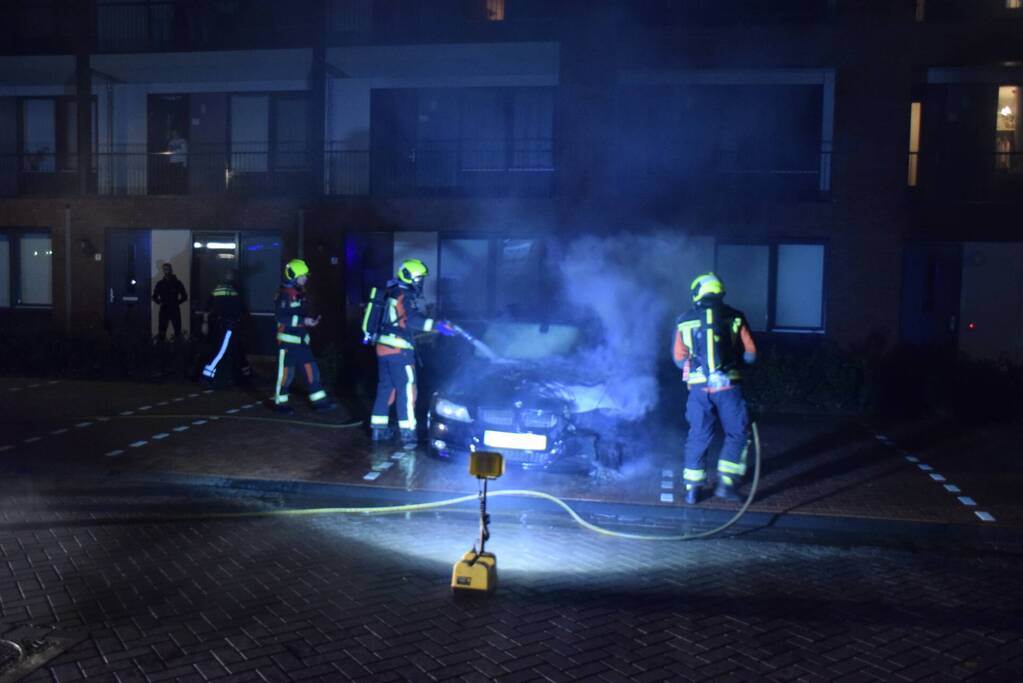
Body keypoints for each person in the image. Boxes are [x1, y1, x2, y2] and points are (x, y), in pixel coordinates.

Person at [671, 272, 758, 505]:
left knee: (698, 435)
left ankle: (692, 489)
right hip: (729, 387)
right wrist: (733, 364)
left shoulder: (684, 320)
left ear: (697, 292)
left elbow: (679, 359)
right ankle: (726, 484)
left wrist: (696, 367)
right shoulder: (736, 317)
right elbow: (751, 353)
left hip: (699, 390)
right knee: (738, 433)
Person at [369, 258, 454, 449]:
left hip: (383, 349)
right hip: (399, 351)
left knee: (385, 388)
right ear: (409, 278)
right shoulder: (404, 295)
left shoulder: (392, 292)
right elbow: (411, 321)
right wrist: (437, 326)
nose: (420, 282)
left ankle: (378, 429)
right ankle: (408, 433)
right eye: (418, 278)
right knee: (407, 390)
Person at [273, 258, 334, 413]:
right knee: (286, 375)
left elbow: (299, 315)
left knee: (312, 371)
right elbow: (281, 317)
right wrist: (304, 320)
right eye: (302, 276)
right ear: (293, 277)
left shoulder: (299, 293)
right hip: (287, 344)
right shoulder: (284, 295)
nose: (305, 278)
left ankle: (320, 402)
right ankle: (281, 404)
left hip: (301, 342)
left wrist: (309, 322)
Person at [201, 269, 251, 386]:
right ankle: (206, 376)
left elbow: (208, 306)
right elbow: (241, 309)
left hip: (221, 324)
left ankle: (245, 374)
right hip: (230, 325)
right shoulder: (235, 290)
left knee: (236, 350)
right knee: (223, 351)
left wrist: (205, 322)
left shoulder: (218, 289)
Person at [151, 262, 188, 340]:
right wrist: (160, 302)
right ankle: (162, 348)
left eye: (167, 269)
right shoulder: (160, 283)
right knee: (162, 331)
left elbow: (184, 296)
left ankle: (177, 347)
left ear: (171, 270)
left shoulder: (177, 283)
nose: (166, 271)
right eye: (165, 269)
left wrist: (176, 303)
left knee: (177, 331)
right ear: (163, 270)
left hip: (174, 309)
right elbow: (154, 297)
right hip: (165, 308)